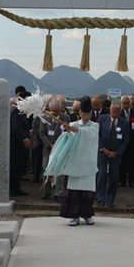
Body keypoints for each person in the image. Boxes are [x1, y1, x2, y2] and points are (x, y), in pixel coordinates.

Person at [44, 96, 99, 226]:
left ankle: (87, 215)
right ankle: (73, 217)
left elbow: (89, 135)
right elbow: (68, 141)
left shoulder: (95, 126)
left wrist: (77, 130)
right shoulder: (73, 124)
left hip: (88, 164)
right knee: (73, 191)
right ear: (79, 113)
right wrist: (68, 132)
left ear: (91, 114)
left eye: (88, 114)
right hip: (74, 162)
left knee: (87, 191)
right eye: (83, 114)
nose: (85, 117)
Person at [97, 101, 129, 208]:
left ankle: (110, 199)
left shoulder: (124, 123)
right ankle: (100, 199)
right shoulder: (102, 119)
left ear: (120, 112)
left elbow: (125, 140)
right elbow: (97, 135)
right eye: (113, 112)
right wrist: (104, 150)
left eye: (117, 112)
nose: (114, 114)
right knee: (101, 174)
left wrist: (116, 152)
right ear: (110, 110)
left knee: (114, 177)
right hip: (102, 152)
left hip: (116, 154)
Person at [40, 99, 71, 200]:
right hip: (48, 149)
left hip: (61, 150)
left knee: (60, 172)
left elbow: (69, 133)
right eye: (52, 111)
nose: (54, 113)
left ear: (61, 108)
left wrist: (59, 145)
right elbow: (41, 133)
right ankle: (46, 192)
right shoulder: (45, 118)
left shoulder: (66, 118)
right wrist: (50, 144)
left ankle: (59, 193)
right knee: (46, 170)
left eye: (56, 111)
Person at [9, 91, 31, 196]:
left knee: (17, 168)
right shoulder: (16, 110)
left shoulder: (19, 110)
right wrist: (25, 139)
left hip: (18, 146)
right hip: (15, 145)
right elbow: (16, 127)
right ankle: (12, 189)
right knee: (14, 168)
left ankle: (16, 188)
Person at [119, 95, 134, 188]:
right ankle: (122, 180)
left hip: (133, 142)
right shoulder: (119, 113)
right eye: (124, 103)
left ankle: (132, 181)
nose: (126, 105)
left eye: (128, 103)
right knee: (121, 162)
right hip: (121, 141)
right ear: (121, 104)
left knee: (132, 162)